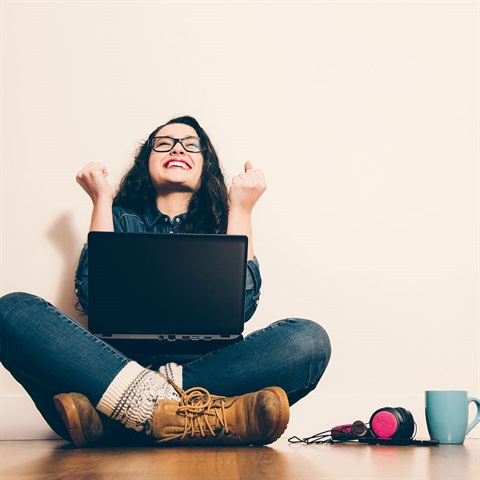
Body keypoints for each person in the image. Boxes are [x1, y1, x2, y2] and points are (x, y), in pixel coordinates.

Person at [0, 115, 331, 447]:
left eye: (191, 145)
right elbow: (94, 297)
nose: (177, 148)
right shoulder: (118, 218)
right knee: (11, 312)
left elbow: (241, 308)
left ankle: (123, 420)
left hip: (207, 372)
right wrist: (102, 201)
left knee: (310, 342)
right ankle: (196, 416)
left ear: (206, 165)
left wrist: (242, 210)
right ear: (147, 161)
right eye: (164, 143)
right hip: (110, 367)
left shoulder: (223, 223)